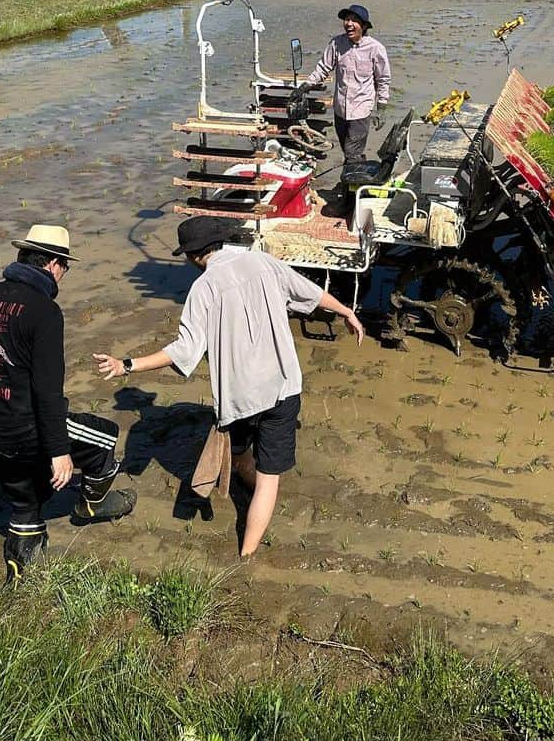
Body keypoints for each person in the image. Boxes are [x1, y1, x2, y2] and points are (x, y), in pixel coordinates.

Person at [94, 217, 363, 558]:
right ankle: (248, 551)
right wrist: (346, 312)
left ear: (192, 256)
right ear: (220, 242)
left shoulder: (203, 289)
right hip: (282, 387)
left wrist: (127, 365)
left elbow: (183, 350)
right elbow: (309, 293)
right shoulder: (263, 261)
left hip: (239, 396)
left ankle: (245, 535)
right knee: (270, 479)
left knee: (238, 451)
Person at [0, 224, 135, 583]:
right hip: (28, 427)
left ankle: (23, 565)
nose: (64, 274)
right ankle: (92, 503)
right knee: (106, 436)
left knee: (25, 501)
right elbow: (48, 391)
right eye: (65, 267)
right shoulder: (44, 311)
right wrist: (59, 451)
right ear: (54, 264)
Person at [304, 4, 391, 178]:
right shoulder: (337, 43)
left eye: (354, 21)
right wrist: (305, 85)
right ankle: (359, 180)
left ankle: (349, 198)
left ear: (364, 26)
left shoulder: (375, 48)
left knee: (352, 154)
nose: (349, 24)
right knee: (350, 152)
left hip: (361, 110)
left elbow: (383, 79)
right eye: (347, 20)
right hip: (340, 110)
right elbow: (323, 68)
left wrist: (381, 109)